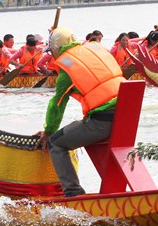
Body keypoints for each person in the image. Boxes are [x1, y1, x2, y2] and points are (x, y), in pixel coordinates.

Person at [37, 28, 124, 198]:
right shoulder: (92, 49)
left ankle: (73, 194)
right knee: (77, 129)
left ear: (55, 50)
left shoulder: (66, 71)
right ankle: (115, 190)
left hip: (102, 122)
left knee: (56, 143)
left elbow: (57, 105)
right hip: (126, 117)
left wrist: (48, 132)